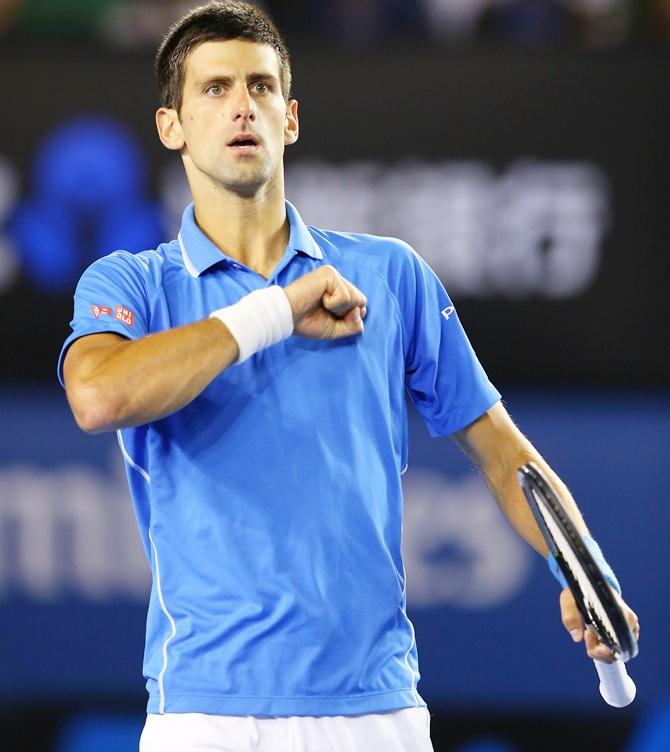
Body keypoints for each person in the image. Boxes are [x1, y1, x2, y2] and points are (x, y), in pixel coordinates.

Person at [58, 2, 639, 751]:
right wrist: (275, 311)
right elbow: (100, 395)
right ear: (171, 126)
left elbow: (504, 455)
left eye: (261, 87)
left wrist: (585, 572)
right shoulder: (133, 283)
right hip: (205, 716)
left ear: (290, 118)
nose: (242, 106)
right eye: (214, 89)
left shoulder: (388, 274)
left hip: (377, 713)